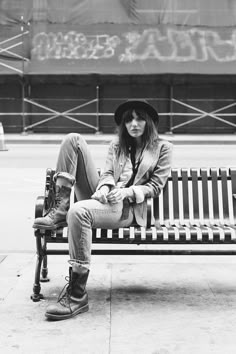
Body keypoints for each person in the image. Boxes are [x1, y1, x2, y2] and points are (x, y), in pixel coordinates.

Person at [33, 99, 173, 321]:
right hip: (105, 199)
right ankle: (59, 209)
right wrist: (104, 187)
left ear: (148, 122)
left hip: (128, 208)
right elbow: (107, 173)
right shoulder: (116, 145)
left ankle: (77, 296)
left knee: (79, 212)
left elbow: (155, 186)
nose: (133, 123)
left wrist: (125, 192)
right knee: (73, 140)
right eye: (128, 119)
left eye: (139, 119)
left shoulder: (163, 148)